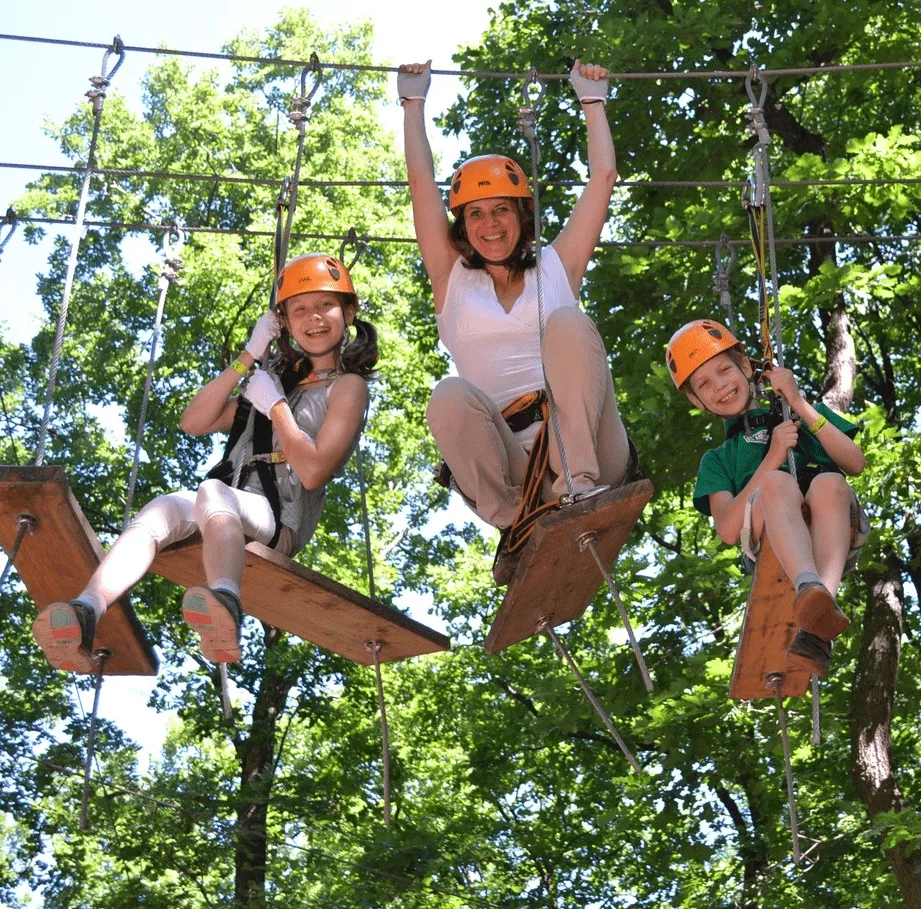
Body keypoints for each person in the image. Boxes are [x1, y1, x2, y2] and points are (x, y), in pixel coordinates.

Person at [32, 254, 376, 668]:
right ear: (284, 322)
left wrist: (277, 407)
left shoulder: (348, 387)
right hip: (228, 508)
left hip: (281, 518)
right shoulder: (272, 382)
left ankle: (226, 602)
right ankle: (88, 609)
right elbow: (194, 421)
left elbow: (314, 469)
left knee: (213, 492)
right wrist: (248, 356)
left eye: (325, 306)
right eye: (299, 309)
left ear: (349, 312)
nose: (314, 319)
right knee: (161, 508)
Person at [396, 58, 635, 583]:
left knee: (569, 324)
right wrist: (413, 105)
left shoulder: (557, 263)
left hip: (586, 444)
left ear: (522, 215)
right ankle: (517, 525)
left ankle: (581, 486)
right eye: (476, 214)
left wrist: (593, 103)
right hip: (513, 466)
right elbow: (419, 184)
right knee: (447, 396)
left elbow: (603, 180)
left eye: (501, 209)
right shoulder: (452, 278)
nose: (489, 224)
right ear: (463, 225)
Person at [666, 319, 869, 675]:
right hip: (768, 537)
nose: (721, 386)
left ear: (746, 367)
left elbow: (855, 462)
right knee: (776, 483)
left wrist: (799, 403)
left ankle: (821, 604)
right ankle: (810, 589)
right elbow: (728, 530)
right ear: (696, 401)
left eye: (725, 370)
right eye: (704, 385)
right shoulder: (718, 459)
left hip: (832, 525)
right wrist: (774, 455)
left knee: (829, 483)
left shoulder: (796, 414)